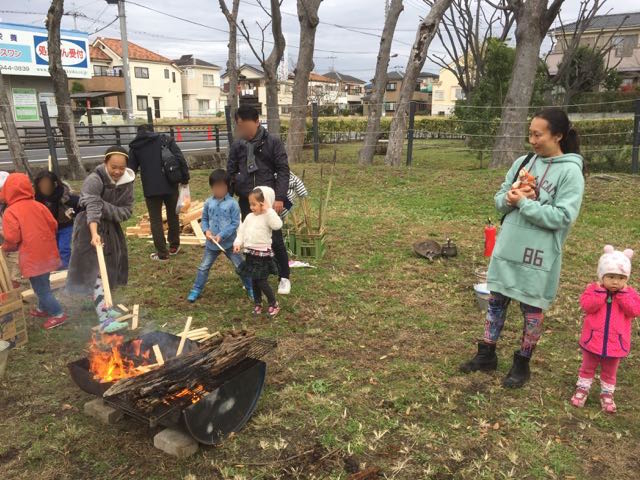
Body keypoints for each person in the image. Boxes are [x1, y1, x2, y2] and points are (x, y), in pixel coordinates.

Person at [460, 108, 586, 388]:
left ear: (558, 136)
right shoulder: (524, 162)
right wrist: (510, 196)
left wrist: (525, 203)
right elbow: (499, 199)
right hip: (509, 246)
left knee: (531, 309)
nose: (532, 140)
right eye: (530, 133)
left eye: (538, 134)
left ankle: (522, 363)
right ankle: (486, 354)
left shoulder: (570, 172)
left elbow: (563, 217)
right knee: (496, 301)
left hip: (537, 254)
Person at [67, 146, 135, 333]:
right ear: (105, 163)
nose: (117, 171)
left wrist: (102, 205)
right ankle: (104, 319)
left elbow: (127, 211)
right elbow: (92, 210)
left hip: (111, 230)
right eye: (114, 166)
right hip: (89, 229)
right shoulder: (94, 180)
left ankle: (107, 305)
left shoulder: (127, 182)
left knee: (110, 270)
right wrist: (95, 233)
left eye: (121, 168)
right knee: (96, 273)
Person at [227, 105, 291, 295]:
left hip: (267, 200)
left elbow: (283, 170)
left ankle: (284, 277)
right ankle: (255, 277)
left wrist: (279, 197)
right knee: (249, 239)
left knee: (275, 240)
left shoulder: (272, 142)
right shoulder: (237, 145)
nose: (242, 130)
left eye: (245, 125)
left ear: (256, 122)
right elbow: (230, 171)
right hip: (246, 199)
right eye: (239, 126)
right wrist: (230, 195)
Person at [571, 246, 640, 413]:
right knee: (587, 367)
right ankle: (582, 389)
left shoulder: (630, 294)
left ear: (626, 279)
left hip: (615, 343)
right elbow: (587, 306)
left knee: (610, 372)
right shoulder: (593, 290)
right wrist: (600, 293)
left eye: (621, 278)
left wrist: (623, 296)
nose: (615, 282)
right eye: (610, 277)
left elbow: (634, 311)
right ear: (602, 276)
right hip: (592, 340)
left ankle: (607, 394)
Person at [1, 173, 66, 329]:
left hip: (32, 256)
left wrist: (6, 248)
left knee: (40, 288)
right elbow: (53, 224)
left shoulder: (11, 211)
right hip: (47, 252)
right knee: (42, 283)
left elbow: (12, 237)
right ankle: (43, 308)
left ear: (7, 190)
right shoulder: (39, 205)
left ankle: (58, 313)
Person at [187, 169, 253, 303]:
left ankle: (251, 288)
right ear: (211, 187)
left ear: (227, 187)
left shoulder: (233, 204)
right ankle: (196, 290)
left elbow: (235, 223)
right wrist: (206, 230)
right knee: (204, 267)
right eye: (216, 187)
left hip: (229, 243)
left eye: (222, 187)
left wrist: (221, 235)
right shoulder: (208, 203)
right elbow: (204, 219)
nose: (219, 190)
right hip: (212, 244)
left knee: (240, 266)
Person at [128, 124, 189, 262]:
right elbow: (180, 158)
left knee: (155, 220)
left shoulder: (136, 146)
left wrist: (125, 189)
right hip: (170, 182)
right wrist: (185, 178)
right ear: (152, 131)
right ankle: (174, 246)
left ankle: (162, 253)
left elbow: (130, 170)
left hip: (151, 188)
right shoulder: (165, 139)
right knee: (173, 215)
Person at [234, 186, 283, 317]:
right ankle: (258, 304)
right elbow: (242, 231)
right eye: (250, 204)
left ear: (264, 203)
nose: (251, 207)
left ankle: (273, 304)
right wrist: (238, 243)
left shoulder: (268, 216)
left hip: (262, 256)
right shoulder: (250, 217)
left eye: (254, 204)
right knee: (254, 281)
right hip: (250, 254)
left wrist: (269, 210)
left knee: (261, 281)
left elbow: (277, 225)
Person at [33, 170, 81, 269]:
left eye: (47, 185)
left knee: (64, 248)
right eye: (42, 186)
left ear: (54, 184)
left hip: (65, 226)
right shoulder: (37, 199)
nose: (45, 188)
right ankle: (55, 268)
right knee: (53, 249)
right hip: (48, 229)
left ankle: (66, 269)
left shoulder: (66, 196)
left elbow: (80, 207)